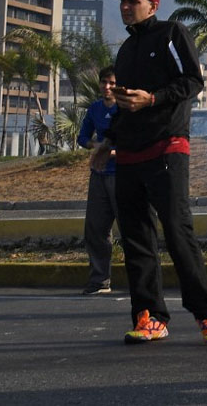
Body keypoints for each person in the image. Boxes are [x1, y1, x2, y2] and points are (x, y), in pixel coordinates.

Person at [90, 0, 207, 345]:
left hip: (167, 146)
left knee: (177, 231)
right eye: (121, 1)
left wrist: (151, 99)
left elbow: (192, 82)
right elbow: (125, 103)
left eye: (132, 1)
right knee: (135, 239)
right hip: (129, 154)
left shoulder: (172, 33)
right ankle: (150, 316)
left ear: (152, 5)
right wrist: (108, 140)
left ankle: (206, 313)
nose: (124, 7)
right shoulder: (125, 51)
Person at [77, 66, 119, 295]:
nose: (107, 87)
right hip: (99, 175)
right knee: (95, 229)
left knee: (133, 230)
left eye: (112, 82)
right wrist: (97, 147)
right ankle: (100, 281)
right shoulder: (95, 108)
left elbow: (136, 142)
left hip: (122, 175)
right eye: (104, 82)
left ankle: (142, 283)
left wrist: (111, 153)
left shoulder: (126, 109)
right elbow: (82, 137)